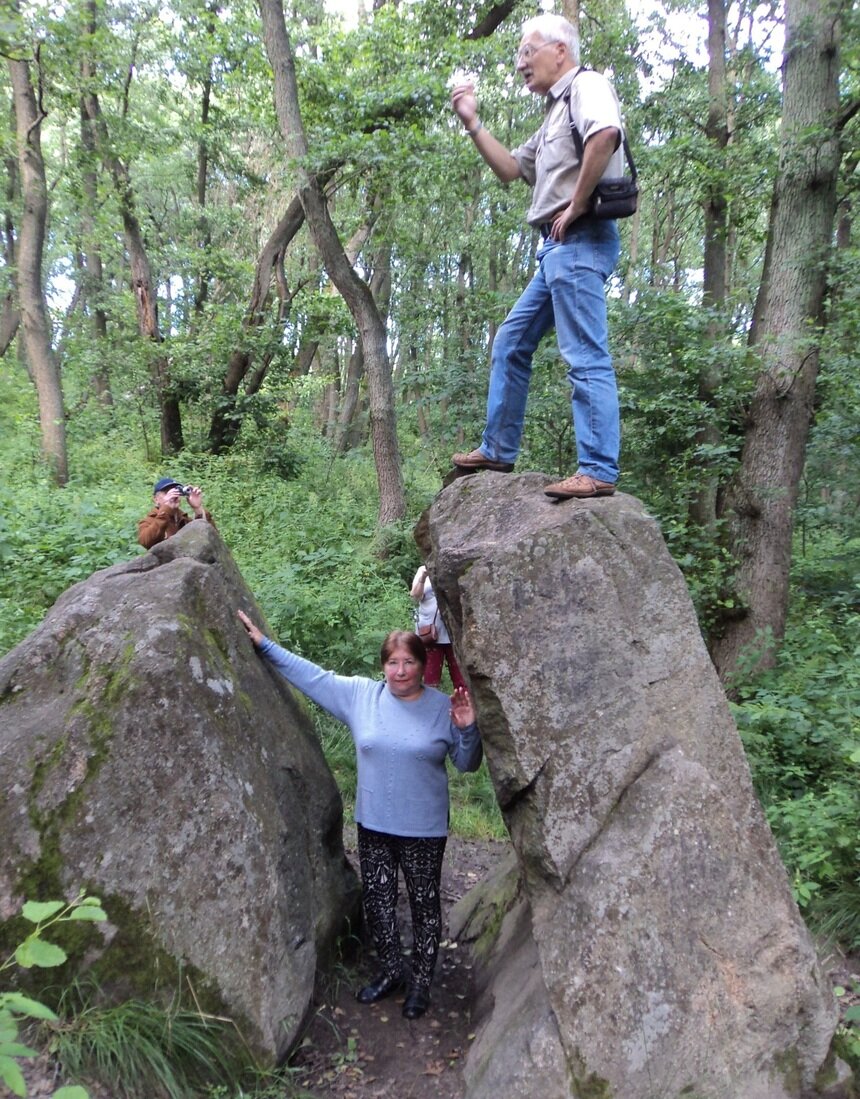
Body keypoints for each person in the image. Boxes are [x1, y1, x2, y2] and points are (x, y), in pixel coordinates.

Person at [236, 611, 482, 1020]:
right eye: (392, 662)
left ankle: (421, 982)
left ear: (423, 665)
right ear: (382, 665)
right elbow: (312, 677)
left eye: (409, 662)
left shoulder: (442, 708)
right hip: (374, 825)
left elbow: (467, 764)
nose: (400, 671)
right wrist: (264, 644)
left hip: (423, 829)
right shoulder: (361, 697)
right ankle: (391, 971)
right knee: (380, 903)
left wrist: (467, 728)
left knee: (424, 904)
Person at [450, 13, 626, 499]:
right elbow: (510, 168)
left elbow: (605, 134)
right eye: (519, 53)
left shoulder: (587, 86)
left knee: (584, 354)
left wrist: (575, 203)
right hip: (556, 249)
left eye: (528, 51)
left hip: (581, 238)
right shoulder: (553, 112)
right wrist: (473, 123)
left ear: (560, 51)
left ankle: (597, 469)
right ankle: (498, 448)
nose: (520, 62)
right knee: (511, 341)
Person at [410, 565, 466, 691]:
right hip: (430, 633)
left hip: (453, 632)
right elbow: (415, 596)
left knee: (461, 678)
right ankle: (431, 707)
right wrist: (423, 577)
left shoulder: (453, 566)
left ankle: (464, 706)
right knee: (431, 678)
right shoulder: (422, 569)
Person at [138, 477, 213, 549]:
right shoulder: (148, 521)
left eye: (176, 491)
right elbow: (146, 542)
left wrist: (198, 508)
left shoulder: (184, 520)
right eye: (167, 493)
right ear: (156, 499)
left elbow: (210, 538)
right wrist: (165, 508)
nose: (174, 495)